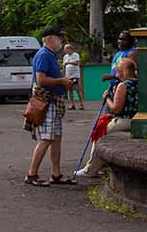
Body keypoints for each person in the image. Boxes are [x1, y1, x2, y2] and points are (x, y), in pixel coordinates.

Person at [24, 27, 74, 187]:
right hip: (47, 102)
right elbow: (41, 79)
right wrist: (61, 82)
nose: (61, 42)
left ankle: (56, 174)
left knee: (56, 138)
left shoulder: (49, 55)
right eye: (59, 38)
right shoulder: (44, 55)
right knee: (46, 138)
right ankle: (32, 174)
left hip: (53, 101)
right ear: (50, 39)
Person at [76, 57, 138, 179]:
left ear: (125, 72)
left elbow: (116, 109)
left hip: (124, 120)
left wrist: (107, 98)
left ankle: (91, 168)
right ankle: (101, 165)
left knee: (99, 130)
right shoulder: (138, 82)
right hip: (135, 119)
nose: (116, 74)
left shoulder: (123, 86)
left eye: (118, 70)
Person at [61, 43, 83, 110]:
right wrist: (64, 75)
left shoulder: (76, 55)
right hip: (68, 76)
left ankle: (81, 104)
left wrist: (68, 63)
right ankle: (72, 104)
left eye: (66, 49)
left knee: (77, 90)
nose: (65, 51)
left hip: (75, 75)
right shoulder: (65, 57)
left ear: (70, 49)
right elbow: (64, 66)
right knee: (70, 90)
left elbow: (77, 63)